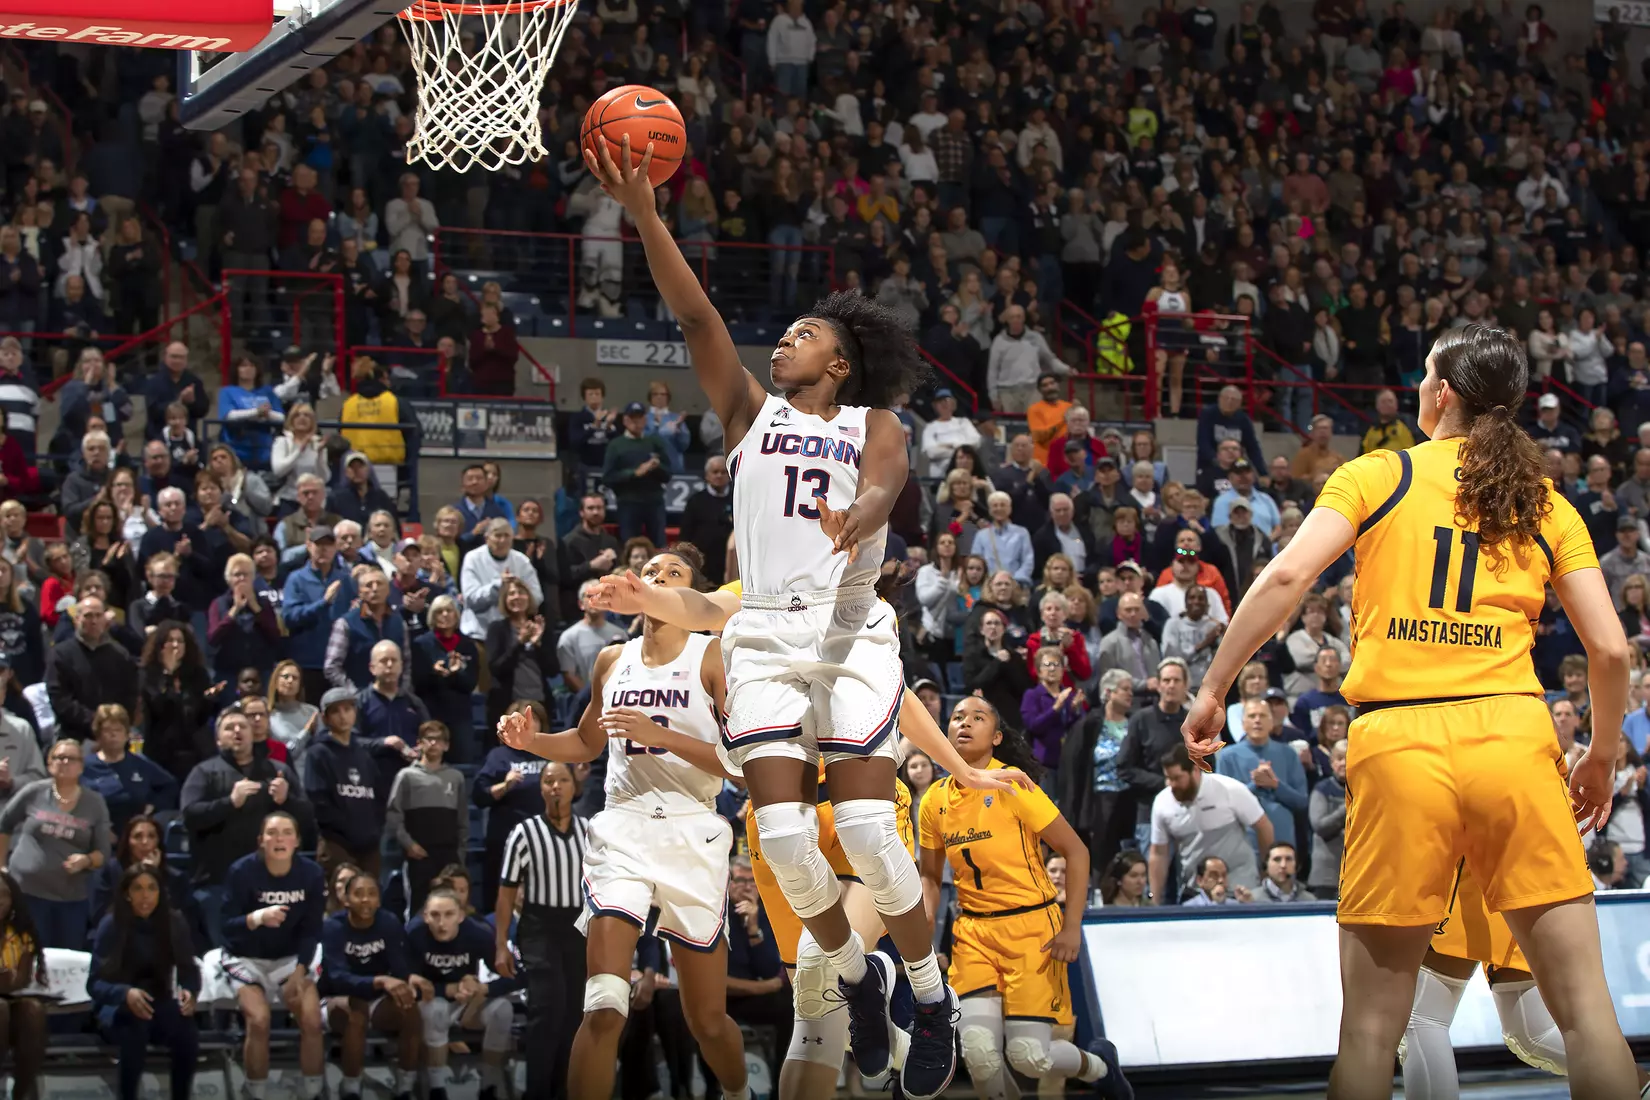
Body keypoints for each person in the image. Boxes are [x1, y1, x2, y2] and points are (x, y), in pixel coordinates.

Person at [1181, 325, 1640, 1098]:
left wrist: (1214, 686)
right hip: (1513, 740)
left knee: (1369, 1031)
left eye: (1426, 373)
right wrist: (1599, 753)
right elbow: (1614, 653)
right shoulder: (1545, 503)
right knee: (1588, 1017)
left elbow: (1290, 576)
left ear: (1441, 393)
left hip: (1401, 743)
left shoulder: (1377, 474)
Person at [579, 567, 1029, 1100]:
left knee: (821, 963)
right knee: (815, 1010)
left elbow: (897, 696)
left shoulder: (851, 595)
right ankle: (880, 999)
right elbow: (693, 610)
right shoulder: (744, 597)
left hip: (850, 801)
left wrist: (963, 768)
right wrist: (644, 597)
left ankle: (916, 996)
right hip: (780, 814)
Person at [495, 544, 753, 1100]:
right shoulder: (612, 659)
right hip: (625, 826)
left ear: (691, 593)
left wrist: (664, 736)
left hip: (694, 828)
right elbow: (587, 742)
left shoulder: (714, 657)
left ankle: (737, 1092)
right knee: (605, 1003)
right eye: (651, 571)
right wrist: (532, 741)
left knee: (706, 1021)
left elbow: (740, 766)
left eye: (674, 573)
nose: (657, 577)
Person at [917, 696, 1129, 1099]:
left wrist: (1072, 927)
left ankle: (1099, 1067)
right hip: (974, 933)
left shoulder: (1014, 784)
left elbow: (1077, 852)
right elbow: (930, 876)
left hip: (1033, 929)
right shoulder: (933, 800)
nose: (964, 723)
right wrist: (925, 941)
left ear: (996, 737)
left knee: (1029, 1055)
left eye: (977, 717)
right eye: (957, 717)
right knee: (978, 1053)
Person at [1400, 862, 1650, 1099]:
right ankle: (1640, 1085)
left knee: (1422, 1017)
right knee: (1536, 1032)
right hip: (1544, 856)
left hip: (1489, 850)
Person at [492, 760, 589, 1100]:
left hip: (578, 927)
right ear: (541, 789)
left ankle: (564, 1091)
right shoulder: (524, 833)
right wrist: (501, 944)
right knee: (547, 1006)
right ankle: (536, 1092)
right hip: (538, 926)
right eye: (548, 781)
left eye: (562, 779)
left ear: (574, 785)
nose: (555, 787)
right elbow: (505, 894)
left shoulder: (590, 832)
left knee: (574, 1012)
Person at [181, 709, 313, 949]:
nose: (237, 731)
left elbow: (307, 819)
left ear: (254, 734)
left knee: (275, 953)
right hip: (218, 882)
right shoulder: (203, 772)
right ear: (218, 739)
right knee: (225, 953)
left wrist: (287, 800)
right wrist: (229, 803)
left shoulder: (277, 770)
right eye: (229, 727)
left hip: (273, 884)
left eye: (242, 726)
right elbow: (190, 816)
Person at [221, 810, 328, 1100]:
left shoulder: (312, 874)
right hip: (246, 958)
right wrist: (256, 917)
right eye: (272, 833)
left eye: (286, 833)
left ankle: (313, 1092)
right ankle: (254, 1093)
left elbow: (312, 929)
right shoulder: (241, 872)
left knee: (312, 1020)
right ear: (261, 841)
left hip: (291, 958)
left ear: (296, 841)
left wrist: (300, 970)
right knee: (259, 1021)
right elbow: (225, 927)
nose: (279, 838)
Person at [87, 864, 202, 1100]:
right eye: (138, 888)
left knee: (187, 1033)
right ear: (127, 893)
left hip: (158, 1000)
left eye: (152, 888)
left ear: (161, 892)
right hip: (117, 1006)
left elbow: (189, 970)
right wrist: (126, 993)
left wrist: (190, 992)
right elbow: (94, 983)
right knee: (134, 1032)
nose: (145, 895)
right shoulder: (111, 925)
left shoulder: (174, 922)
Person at [406, 888, 520, 1100]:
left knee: (503, 1010)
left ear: (460, 916)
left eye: (449, 914)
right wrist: (446, 989)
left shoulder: (478, 933)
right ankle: (436, 1088)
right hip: (430, 1001)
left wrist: (483, 988)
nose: (441, 923)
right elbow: (406, 979)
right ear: (425, 916)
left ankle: (489, 1085)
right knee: (434, 1009)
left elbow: (517, 976)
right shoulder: (414, 934)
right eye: (435, 915)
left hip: (468, 1003)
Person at [0, 737, 111, 948]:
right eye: (59, 757)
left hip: (70, 900)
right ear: (49, 764)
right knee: (25, 958)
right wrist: (1, 866)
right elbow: (4, 824)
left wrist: (86, 860)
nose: (64, 762)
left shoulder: (94, 803)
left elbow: (103, 853)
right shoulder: (34, 792)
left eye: (71, 758)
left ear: (81, 766)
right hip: (27, 893)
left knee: (64, 963)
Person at [319, 871, 419, 1100]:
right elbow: (337, 977)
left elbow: (400, 968)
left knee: (410, 1010)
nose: (365, 899)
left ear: (379, 900)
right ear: (346, 900)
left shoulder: (389, 923)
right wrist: (380, 980)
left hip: (376, 999)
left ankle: (406, 1086)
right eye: (358, 894)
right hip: (337, 998)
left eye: (372, 894)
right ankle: (352, 1088)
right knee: (357, 1014)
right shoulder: (333, 927)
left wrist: (412, 980)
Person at [1149, 742, 1273, 903]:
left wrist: (1266, 874)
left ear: (1195, 770)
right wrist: (1154, 898)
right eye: (1168, 778)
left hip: (1240, 886)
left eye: (1177, 778)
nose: (1171, 785)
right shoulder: (1162, 803)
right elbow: (1159, 853)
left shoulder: (1230, 790)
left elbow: (1264, 827)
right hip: (1196, 891)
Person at [472, 700, 551, 911]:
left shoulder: (552, 752)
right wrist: (504, 786)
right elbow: (479, 796)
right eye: (522, 719)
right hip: (506, 839)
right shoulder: (498, 756)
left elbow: (572, 795)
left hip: (543, 840)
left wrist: (578, 781)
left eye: (534, 719)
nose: (528, 723)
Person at [304, 687, 384, 883]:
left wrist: (373, 831)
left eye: (348, 709)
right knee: (337, 901)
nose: (343, 716)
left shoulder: (364, 755)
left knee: (370, 903)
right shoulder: (318, 754)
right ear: (325, 718)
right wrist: (347, 831)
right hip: (336, 843)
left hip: (369, 845)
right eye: (336, 711)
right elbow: (318, 801)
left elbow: (379, 797)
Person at [386, 721, 467, 914]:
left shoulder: (456, 777)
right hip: (418, 855)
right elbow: (393, 814)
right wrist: (409, 845)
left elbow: (462, 819)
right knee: (418, 907)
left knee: (451, 906)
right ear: (419, 743)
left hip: (448, 857)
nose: (433, 743)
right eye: (428, 739)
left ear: (446, 745)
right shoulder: (406, 776)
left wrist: (460, 855)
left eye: (438, 739)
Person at [81, 703, 178, 833]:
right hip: (95, 835)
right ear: (98, 735)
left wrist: (153, 807)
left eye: (118, 730)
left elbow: (170, 786)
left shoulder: (141, 764)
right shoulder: (84, 766)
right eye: (107, 730)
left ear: (127, 734)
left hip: (133, 837)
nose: (113, 735)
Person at [0, 871, 48, 1098]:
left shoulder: (21, 934)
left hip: (10, 1001)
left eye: (4, 895)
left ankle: (21, 1092)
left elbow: (23, 979)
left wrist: (10, 980)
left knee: (33, 1010)